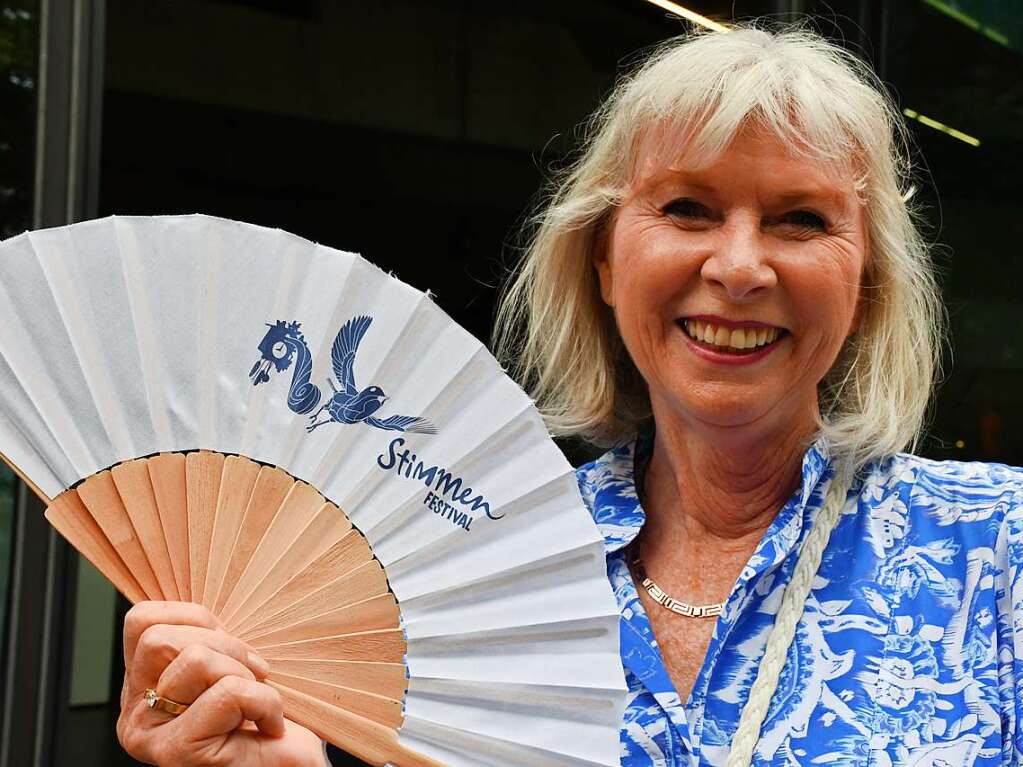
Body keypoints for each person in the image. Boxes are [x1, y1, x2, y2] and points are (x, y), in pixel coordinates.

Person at [116, 19, 1023, 767]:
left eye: (799, 219)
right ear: (602, 259)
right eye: (686, 208)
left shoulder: (997, 553)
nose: (739, 266)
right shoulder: (471, 566)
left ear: (864, 284)